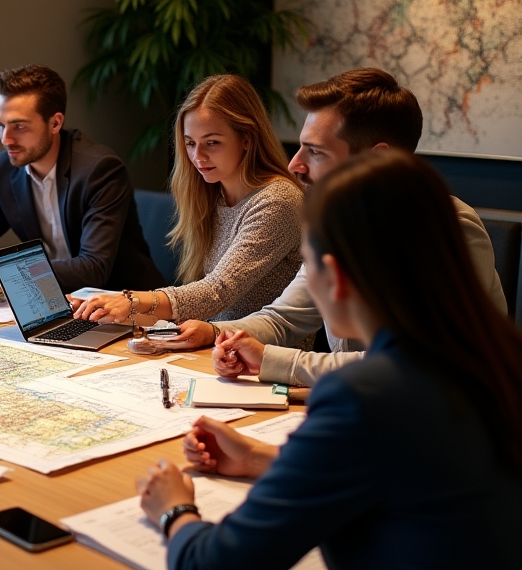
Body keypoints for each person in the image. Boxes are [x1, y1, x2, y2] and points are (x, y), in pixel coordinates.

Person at [135, 149, 522, 570]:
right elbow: (413, 479)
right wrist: (264, 466)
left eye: (309, 267)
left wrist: (175, 511)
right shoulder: (491, 360)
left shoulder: (368, 393)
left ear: (335, 277)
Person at [170, 68, 506, 385]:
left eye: (315, 152)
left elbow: (417, 365)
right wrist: (218, 335)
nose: (294, 165)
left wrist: (274, 361)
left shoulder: (449, 229)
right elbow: (285, 317)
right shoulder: (335, 223)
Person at [71, 74, 303, 328]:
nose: (197, 156)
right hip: (215, 344)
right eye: (190, 143)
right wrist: (107, 310)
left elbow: (217, 292)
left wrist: (132, 301)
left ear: (246, 138)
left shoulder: (278, 200)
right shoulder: (214, 194)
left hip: (264, 354)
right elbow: (200, 307)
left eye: (212, 143)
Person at [0, 64, 163, 293]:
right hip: (55, 300)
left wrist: (10, 270)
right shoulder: (2, 169)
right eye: (0, 126)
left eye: (19, 126)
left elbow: (94, 268)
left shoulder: (99, 170)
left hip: (126, 304)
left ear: (55, 123)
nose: (6, 139)